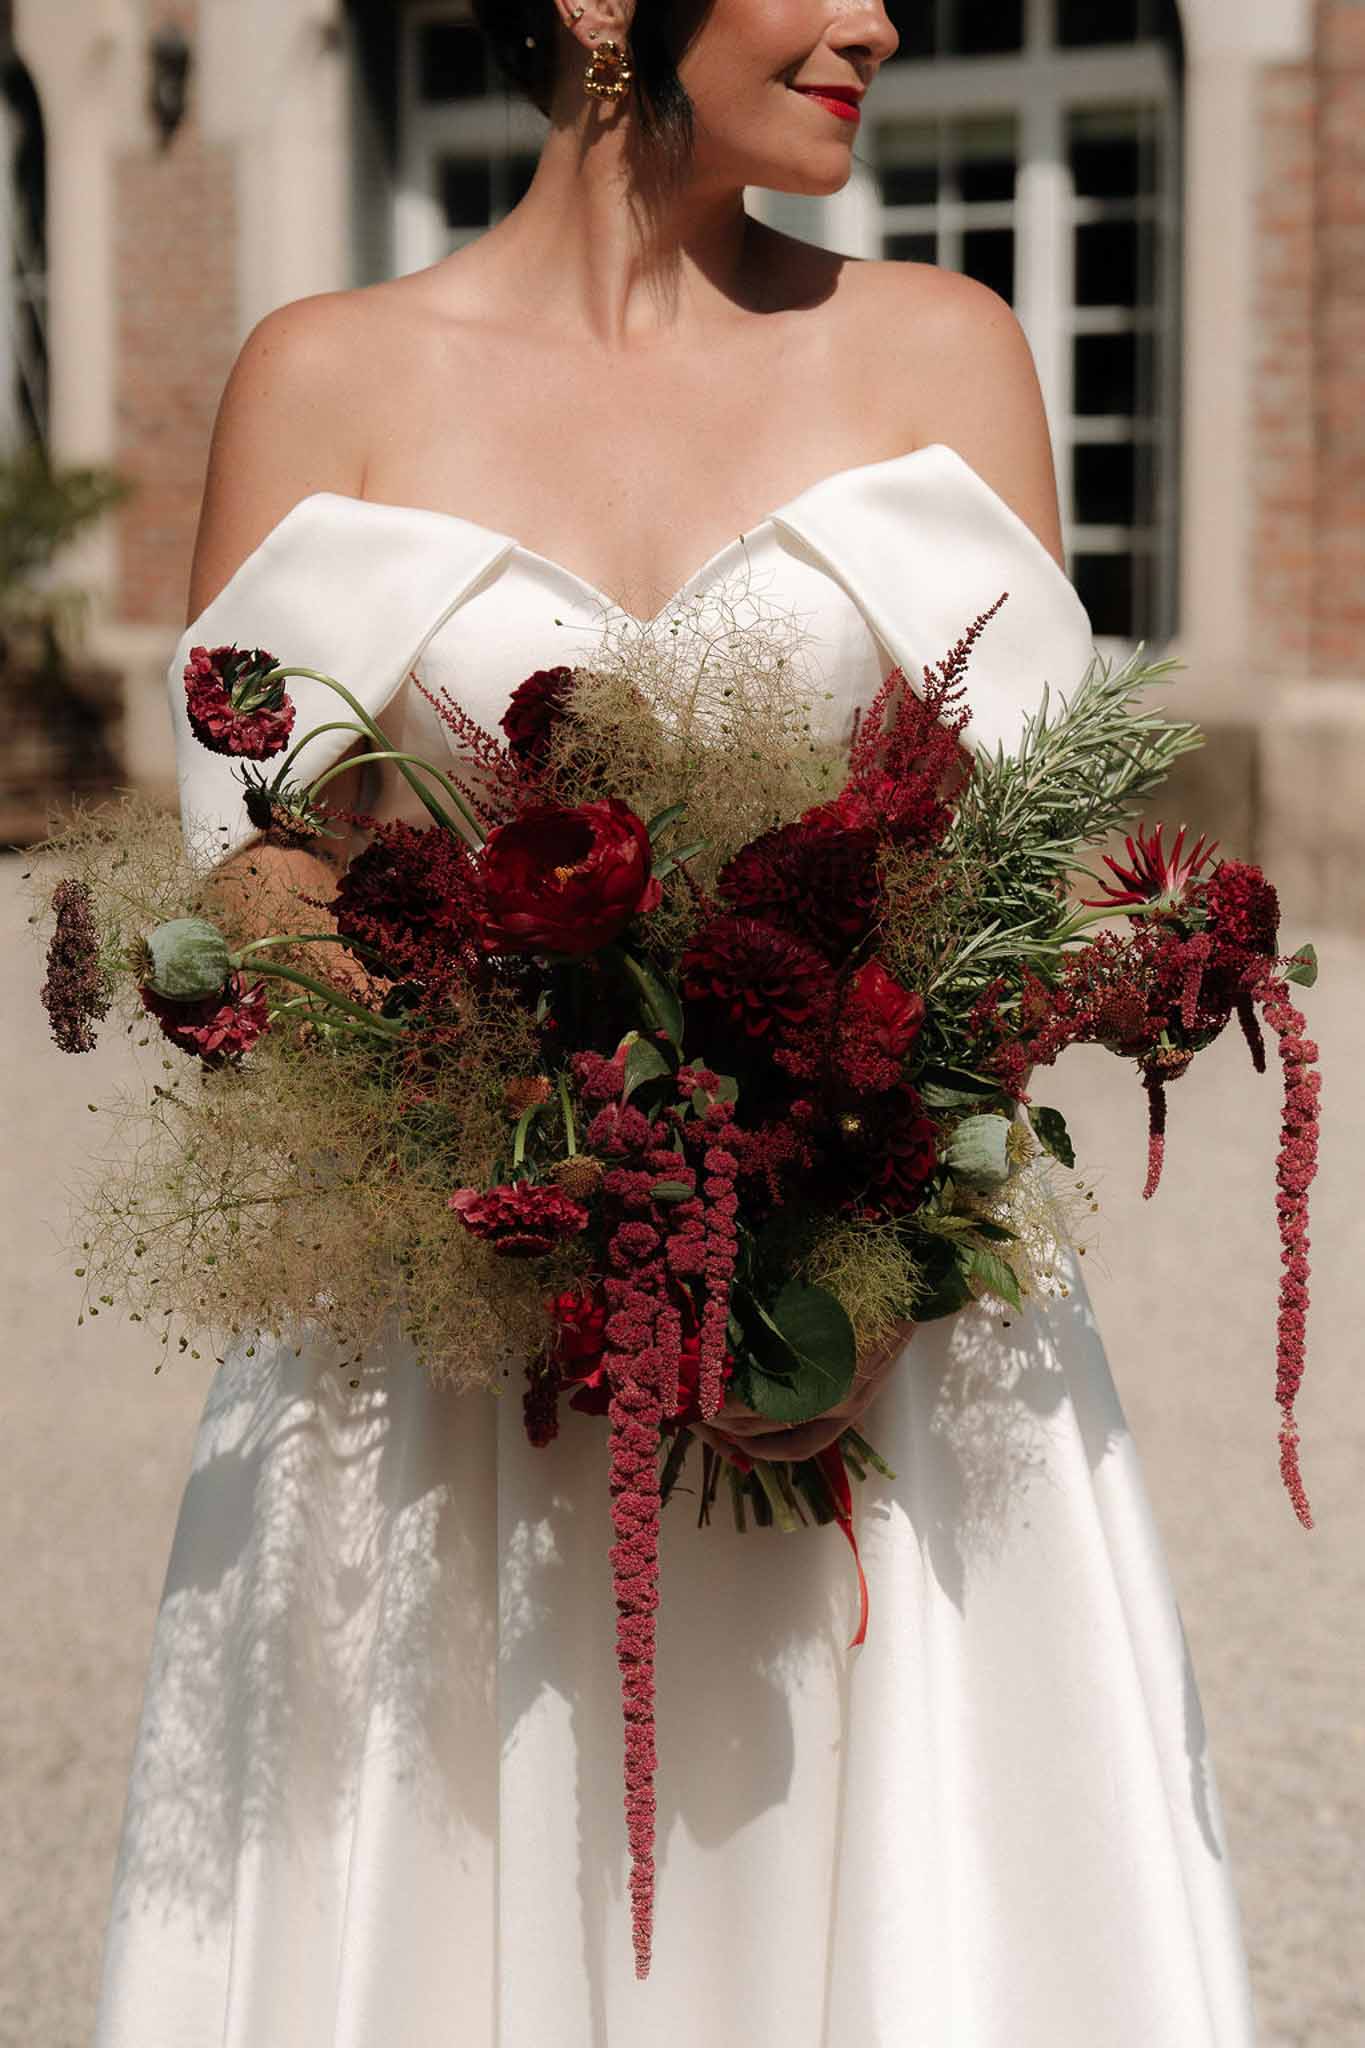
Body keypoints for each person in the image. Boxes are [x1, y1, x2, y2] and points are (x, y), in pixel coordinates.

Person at [93, 4, 1259, 2041]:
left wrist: (878, 1190)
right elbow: (258, 872)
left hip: (876, 1353)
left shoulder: (941, 353)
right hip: (460, 1343)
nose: (882, 15)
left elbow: (1019, 847)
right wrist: (495, 1130)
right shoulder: (326, 377)